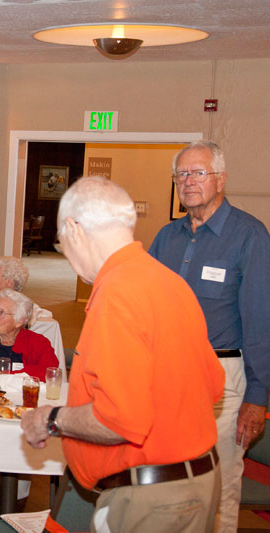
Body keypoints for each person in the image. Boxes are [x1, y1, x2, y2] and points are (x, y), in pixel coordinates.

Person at [22, 177, 225, 532]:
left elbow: (118, 420)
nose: (65, 254)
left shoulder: (117, 293)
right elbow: (213, 386)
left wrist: (50, 418)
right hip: (198, 483)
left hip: (152, 501)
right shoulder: (169, 281)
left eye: (60, 241)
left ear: (74, 228)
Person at [148, 141, 270, 533]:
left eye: (198, 173)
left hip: (222, 379)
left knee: (218, 484)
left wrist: (256, 397)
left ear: (220, 179)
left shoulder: (249, 235)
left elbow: (261, 320)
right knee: (168, 478)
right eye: (181, 174)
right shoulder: (167, 237)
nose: (188, 182)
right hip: (166, 376)